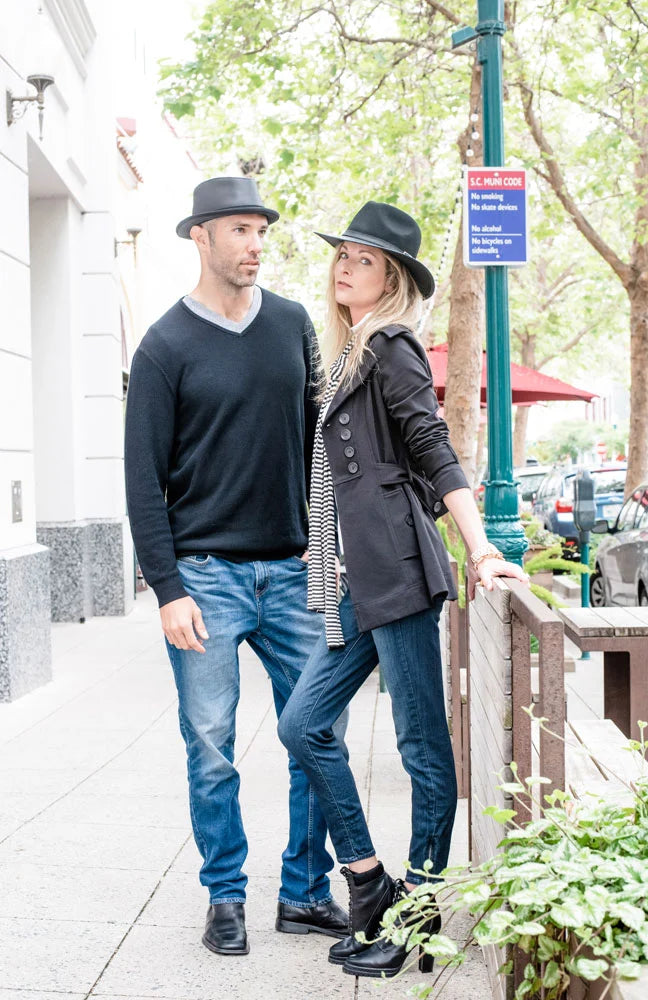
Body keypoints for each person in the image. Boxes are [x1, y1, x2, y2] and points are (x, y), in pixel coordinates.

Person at [277, 201, 529, 979]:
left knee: (422, 748)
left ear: (390, 280)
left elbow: (432, 447)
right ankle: (367, 877)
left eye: (364, 259)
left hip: (401, 573)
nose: (345, 266)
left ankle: (417, 912)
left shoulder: (390, 345)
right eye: (342, 255)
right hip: (358, 577)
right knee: (303, 724)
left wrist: (482, 546)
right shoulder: (348, 351)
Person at [124, 177, 348, 957]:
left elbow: (324, 444)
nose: (257, 244)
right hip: (206, 576)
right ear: (202, 237)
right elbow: (141, 480)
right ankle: (224, 896)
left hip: (294, 572)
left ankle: (304, 892)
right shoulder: (162, 345)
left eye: (262, 231)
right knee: (210, 745)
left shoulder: (290, 325)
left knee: (314, 733)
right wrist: (168, 589)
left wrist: (332, 554)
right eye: (242, 230)